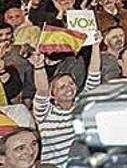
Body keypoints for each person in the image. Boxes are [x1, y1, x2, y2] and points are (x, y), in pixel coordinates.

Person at [30, 34, 102, 167]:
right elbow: (42, 91)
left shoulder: (82, 103)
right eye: (62, 87)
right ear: (53, 95)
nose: (68, 88)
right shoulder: (45, 113)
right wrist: (39, 66)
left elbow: (94, 74)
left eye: (71, 83)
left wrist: (96, 45)